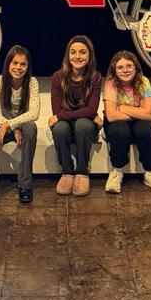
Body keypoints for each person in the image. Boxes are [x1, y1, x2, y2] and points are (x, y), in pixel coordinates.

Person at [0, 45, 40, 205]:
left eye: (23, 64)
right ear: (8, 64)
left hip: (22, 126)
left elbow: (34, 113)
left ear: (28, 66)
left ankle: (25, 185)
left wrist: (11, 126)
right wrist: (6, 125)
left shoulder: (32, 82)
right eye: (15, 63)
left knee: (31, 127)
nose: (18, 67)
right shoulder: (0, 80)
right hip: (5, 125)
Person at [103, 50, 151, 194]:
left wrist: (123, 107)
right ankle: (117, 171)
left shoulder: (144, 81)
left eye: (129, 66)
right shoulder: (111, 83)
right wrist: (139, 112)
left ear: (136, 67)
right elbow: (112, 116)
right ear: (114, 70)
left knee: (147, 130)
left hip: (135, 120)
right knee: (119, 130)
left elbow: (149, 114)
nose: (125, 70)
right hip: (118, 122)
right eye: (120, 67)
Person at [49, 35, 102, 196]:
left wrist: (63, 116)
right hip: (67, 125)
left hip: (84, 128)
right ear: (67, 55)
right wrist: (86, 113)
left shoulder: (95, 77)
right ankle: (66, 172)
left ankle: (82, 171)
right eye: (73, 52)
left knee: (83, 124)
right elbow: (57, 111)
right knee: (60, 128)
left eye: (82, 52)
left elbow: (91, 110)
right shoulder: (58, 77)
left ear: (89, 55)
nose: (77, 56)